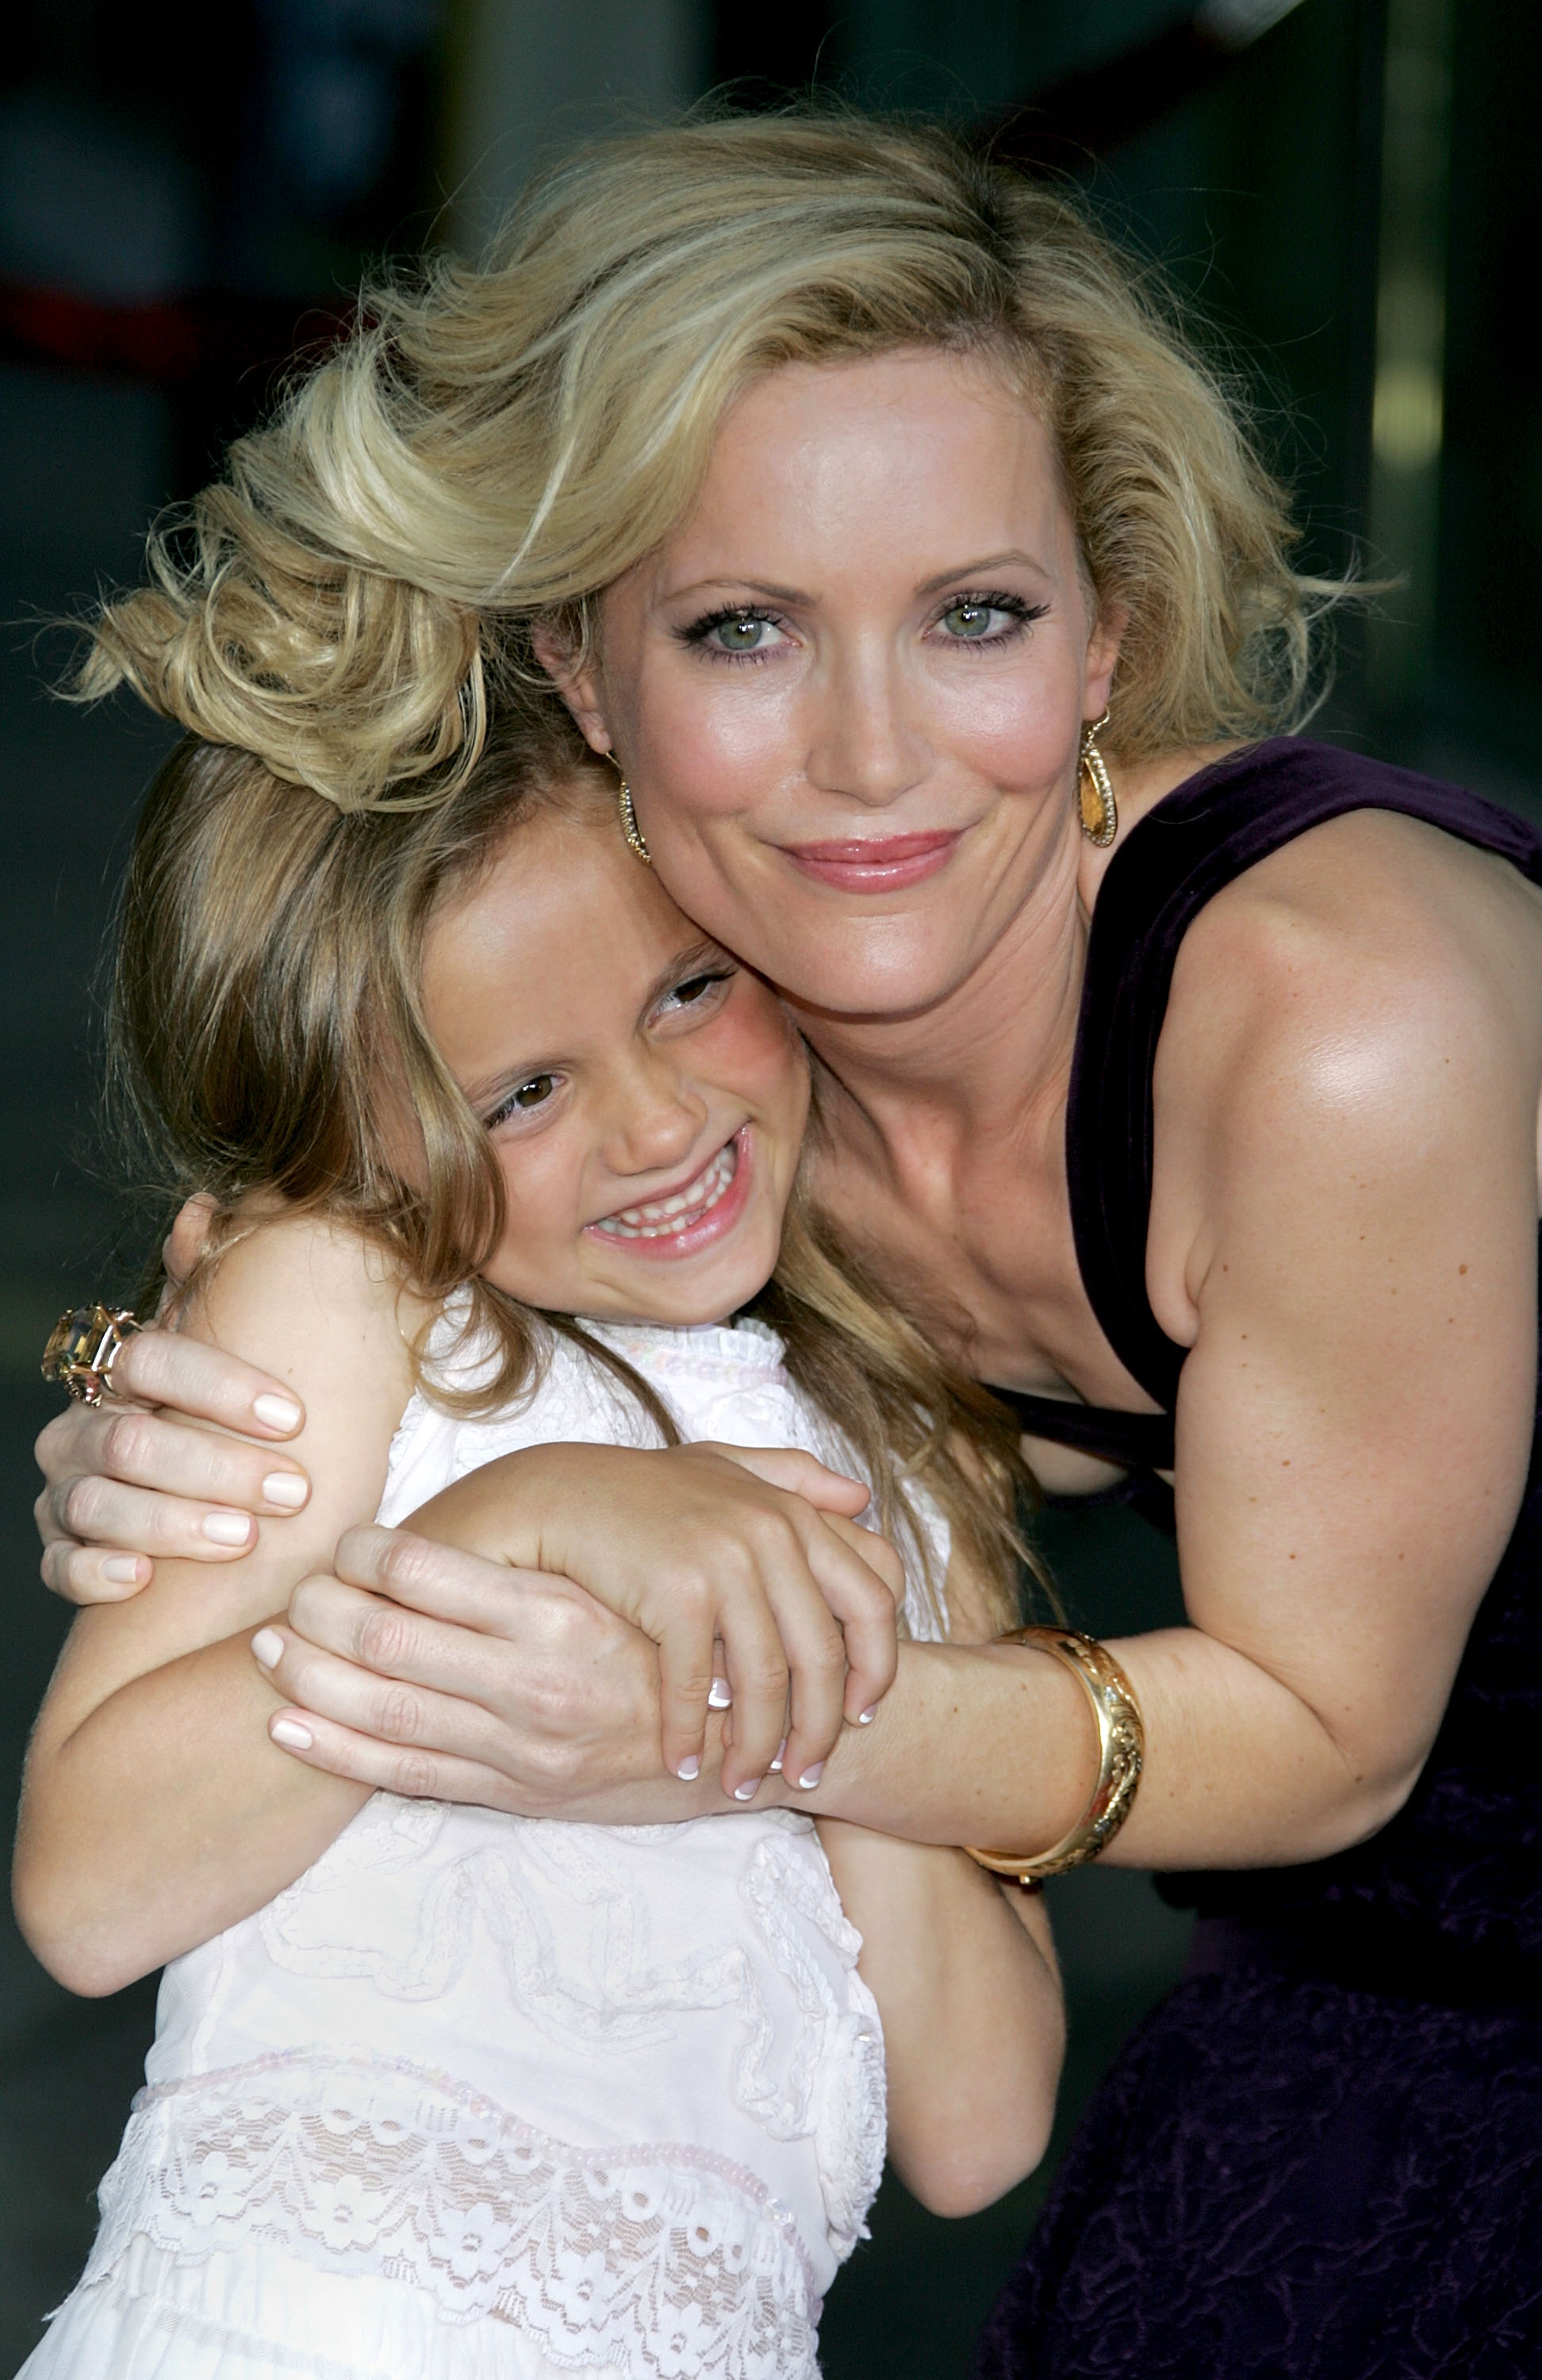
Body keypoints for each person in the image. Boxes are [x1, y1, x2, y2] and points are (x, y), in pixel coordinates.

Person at [36, 110, 1542, 2373]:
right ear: (583, 665)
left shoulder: (1325, 1013)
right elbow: (478, 1307)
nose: (867, 758)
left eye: (974, 614)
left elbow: (1318, 1733)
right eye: (747, 628)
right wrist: (191, 1431)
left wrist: (681, 1697)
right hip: (1377, 1940)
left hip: (1377, 1838)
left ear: (1104, 640)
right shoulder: (748, 1084)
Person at [15, 690, 1063, 2378]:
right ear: (369, 1139)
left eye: (689, 990)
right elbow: (91, 1884)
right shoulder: (359, 1305)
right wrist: (516, 1522)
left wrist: (836, 1696)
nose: (653, 1127)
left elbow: (979, 2129)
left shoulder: (905, 1451)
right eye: (519, 1096)